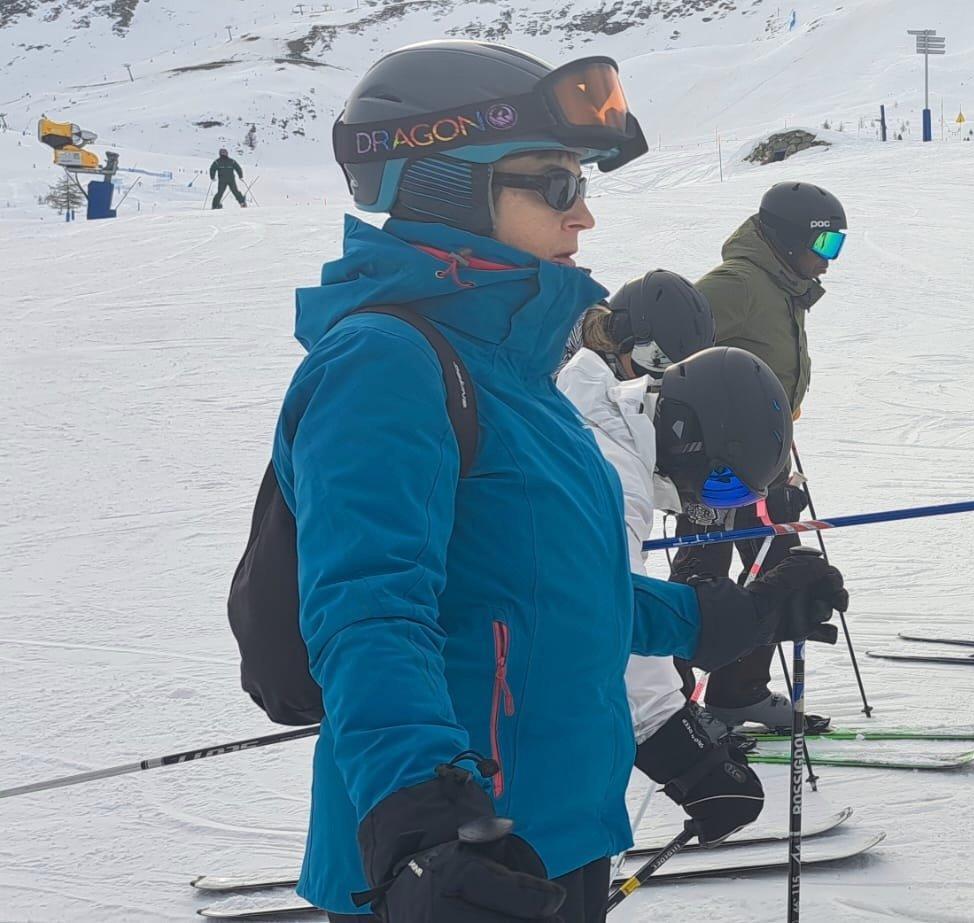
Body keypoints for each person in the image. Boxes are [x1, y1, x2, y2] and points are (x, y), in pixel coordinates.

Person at [284, 40, 842, 923]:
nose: (584, 218)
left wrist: (735, 616)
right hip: (465, 857)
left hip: (563, 830)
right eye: (557, 183)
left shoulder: (521, 375)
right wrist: (421, 818)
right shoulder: (387, 362)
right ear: (444, 184)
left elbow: (558, 593)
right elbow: (369, 610)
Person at [557, 271, 773, 843]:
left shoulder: (604, 408)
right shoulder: (611, 474)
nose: (711, 505)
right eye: (720, 487)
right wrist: (685, 756)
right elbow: (609, 617)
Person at [667, 181, 849, 731]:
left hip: (764, 460)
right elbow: (671, 347)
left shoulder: (784, 288)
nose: (828, 262)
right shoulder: (738, 284)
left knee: (781, 565)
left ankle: (738, 691)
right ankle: (670, 707)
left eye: (836, 248)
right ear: (789, 239)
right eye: (825, 246)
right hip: (716, 468)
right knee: (704, 571)